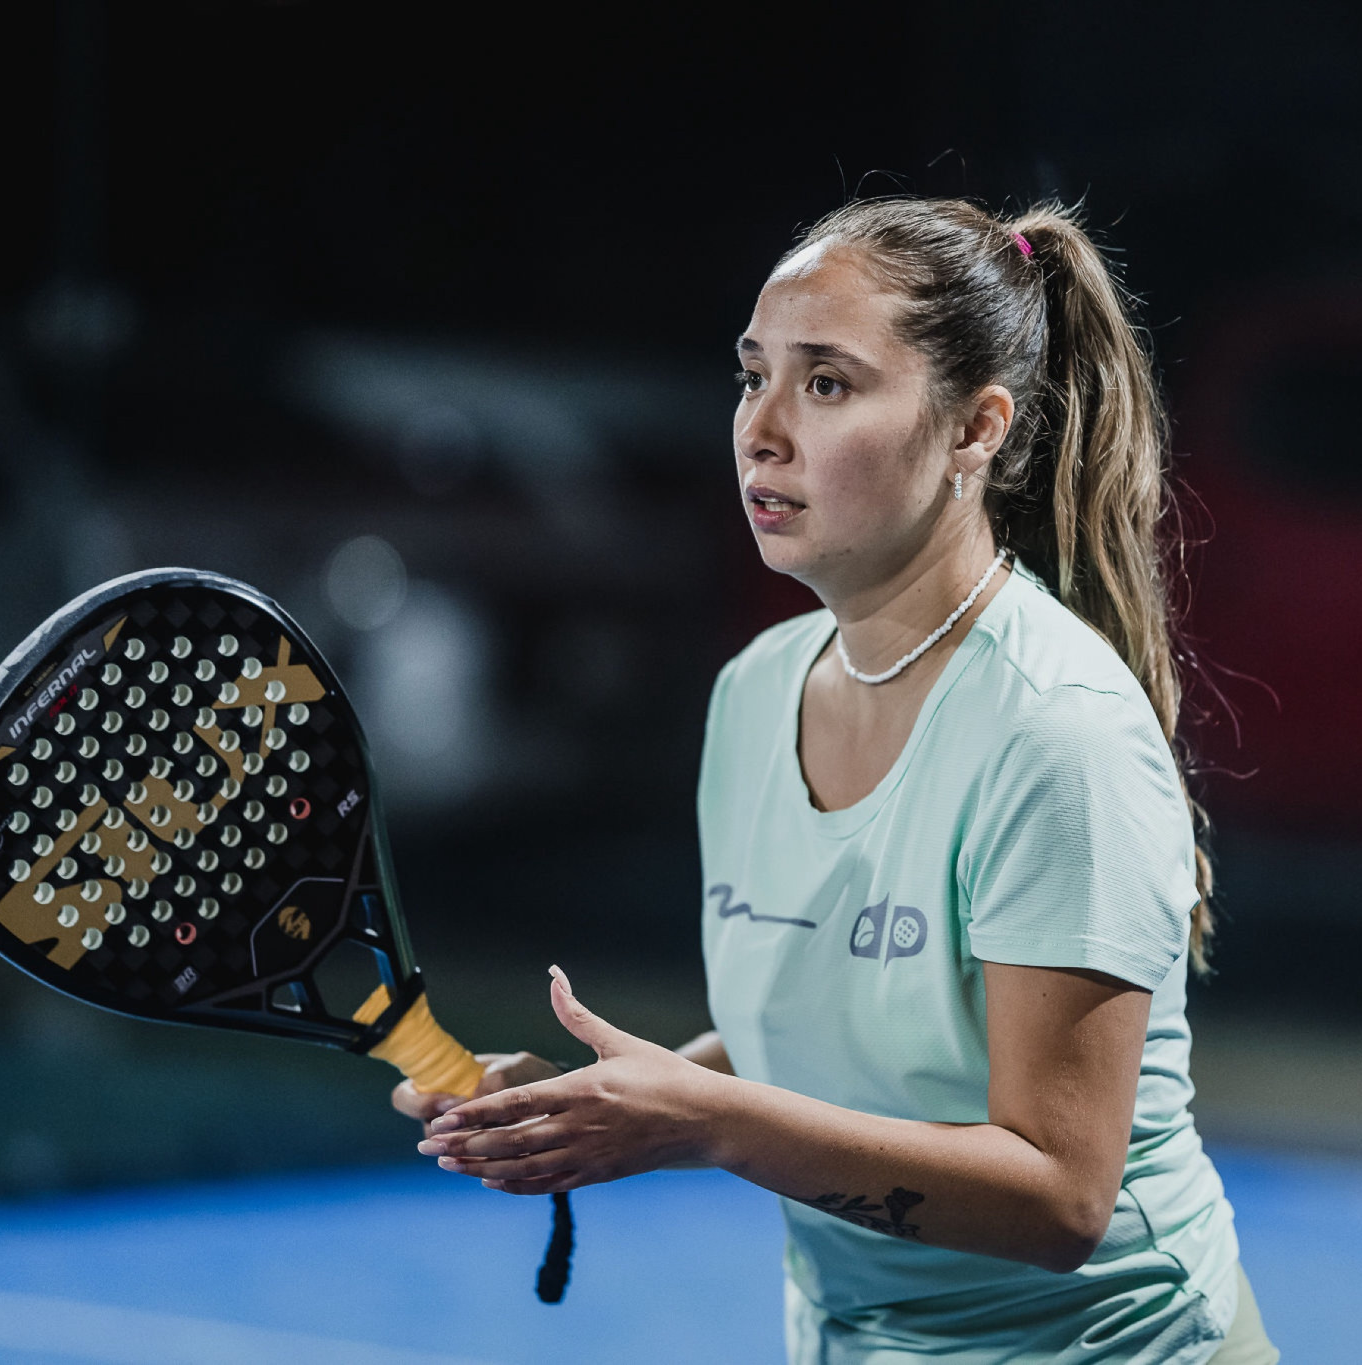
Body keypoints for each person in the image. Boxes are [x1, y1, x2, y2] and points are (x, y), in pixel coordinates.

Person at [397, 197, 1280, 1365]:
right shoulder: (755, 691)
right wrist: (609, 1105)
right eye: (751, 375)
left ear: (974, 430)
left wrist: (706, 1123)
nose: (760, 431)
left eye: (825, 383)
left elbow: (1061, 1199)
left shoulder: (1055, 732)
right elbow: (823, 1032)